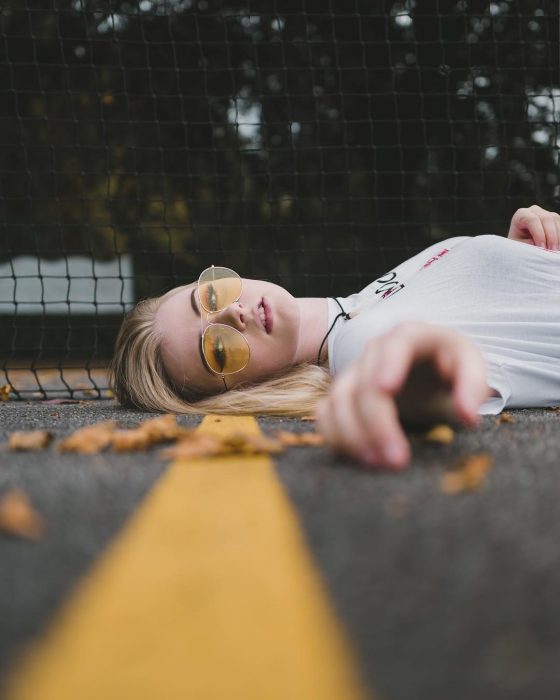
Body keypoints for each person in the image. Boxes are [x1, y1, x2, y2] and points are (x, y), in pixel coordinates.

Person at [110, 204, 560, 470]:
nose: (232, 312)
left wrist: (518, 256)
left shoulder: (365, 302)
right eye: (219, 349)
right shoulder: (359, 347)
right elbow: (415, 373)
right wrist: (421, 371)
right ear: (244, 390)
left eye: (209, 296)